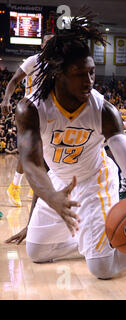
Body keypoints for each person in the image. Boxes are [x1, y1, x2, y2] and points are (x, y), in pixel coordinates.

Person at [15, 14, 126, 279]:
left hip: (94, 180)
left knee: (101, 268)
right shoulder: (31, 108)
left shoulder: (103, 110)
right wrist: (52, 196)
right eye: (80, 74)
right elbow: (32, 164)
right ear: (58, 74)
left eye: (92, 71)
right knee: (37, 252)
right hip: (59, 182)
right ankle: (96, 241)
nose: (89, 80)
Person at [1, 33, 54, 207]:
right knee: (29, 150)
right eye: (47, 42)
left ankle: (36, 185)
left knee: (46, 151)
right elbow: (15, 80)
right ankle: (14, 187)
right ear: (41, 45)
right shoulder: (33, 60)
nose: (50, 45)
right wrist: (6, 99)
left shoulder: (57, 63)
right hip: (30, 109)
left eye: (53, 42)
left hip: (48, 111)